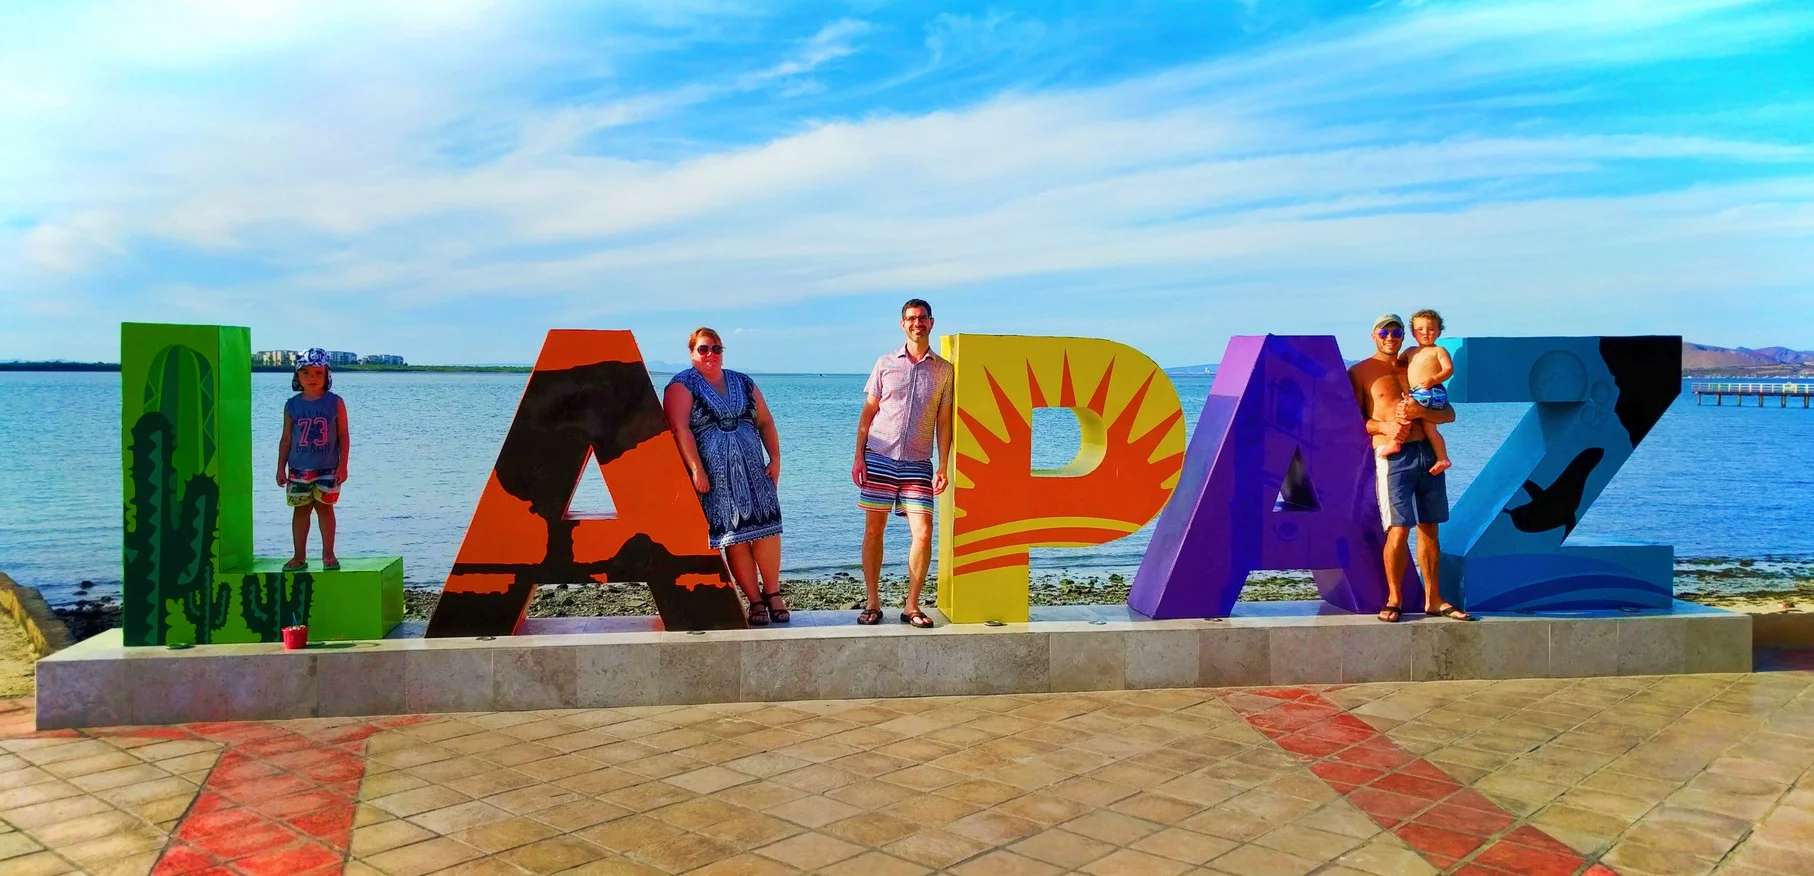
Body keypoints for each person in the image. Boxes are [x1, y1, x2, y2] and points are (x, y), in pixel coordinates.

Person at [1349, 315, 1472, 623]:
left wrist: (1420, 411)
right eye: (1384, 331)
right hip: (1393, 457)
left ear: (1405, 336)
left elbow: (1448, 414)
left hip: (1427, 453)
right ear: (1374, 335)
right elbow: (1353, 422)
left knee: (1430, 527)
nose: (1390, 337)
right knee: (1399, 528)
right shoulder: (1361, 371)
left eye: (1396, 331)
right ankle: (1394, 599)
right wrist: (1385, 426)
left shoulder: (1416, 364)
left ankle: (1434, 599)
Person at [663, 328, 789, 625]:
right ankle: (754, 600)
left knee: (768, 530)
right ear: (692, 352)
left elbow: (765, 421)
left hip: (755, 471)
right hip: (716, 476)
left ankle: (773, 593)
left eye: (716, 349)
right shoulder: (682, 385)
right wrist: (696, 469)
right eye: (704, 349)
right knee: (735, 537)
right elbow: (680, 430)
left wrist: (776, 458)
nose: (711, 355)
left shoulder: (742, 381)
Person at [851, 298, 953, 628]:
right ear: (902, 324)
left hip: (918, 463)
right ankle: (872, 602)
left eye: (922, 318)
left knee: (923, 532)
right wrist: (858, 458)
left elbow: (944, 421)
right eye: (911, 318)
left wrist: (943, 466)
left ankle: (912, 605)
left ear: (931, 323)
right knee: (873, 530)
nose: (916, 323)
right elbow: (867, 415)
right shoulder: (884, 364)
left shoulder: (944, 370)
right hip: (879, 457)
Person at [278, 348, 349, 571]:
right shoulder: (292, 405)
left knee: (326, 510)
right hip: (298, 469)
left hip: (327, 468)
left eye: (318, 373)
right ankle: (299, 556)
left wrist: (343, 464)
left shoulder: (335, 402)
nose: (312, 378)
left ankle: (329, 554)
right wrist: (280, 467)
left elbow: (344, 435)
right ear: (297, 376)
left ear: (327, 375)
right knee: (301, 511)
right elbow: (286, 438)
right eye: (306, 373)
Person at [1376, 309, 1455, 475]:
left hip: (1431, 391)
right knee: (1429, 428)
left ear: (1439, 331)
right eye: (1420, 329)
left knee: (1405, 411)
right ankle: (1442, 458)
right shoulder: (1410, 351)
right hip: (1419, 393)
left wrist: (1434, 379)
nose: (1425, 333)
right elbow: (1395, 362)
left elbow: (1449, 369)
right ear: (1413, 333)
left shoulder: (1438, 351)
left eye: (1431, 329)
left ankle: (1396, 442)